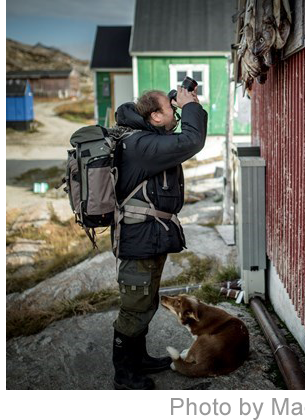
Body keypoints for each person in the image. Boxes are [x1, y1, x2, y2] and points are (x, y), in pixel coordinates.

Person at [108, 86, 207, 389]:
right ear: (153, 116)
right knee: (134, 308)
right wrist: (190, 107)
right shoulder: (141, 145)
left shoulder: (146, 139)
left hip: (147, 236)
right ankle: (124, 376)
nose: (175, 114)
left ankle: (138, 360)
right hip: (138, 237)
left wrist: (180, 104)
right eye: (170, 109)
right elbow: (192, 141)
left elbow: (179, 139)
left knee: (146, 303)